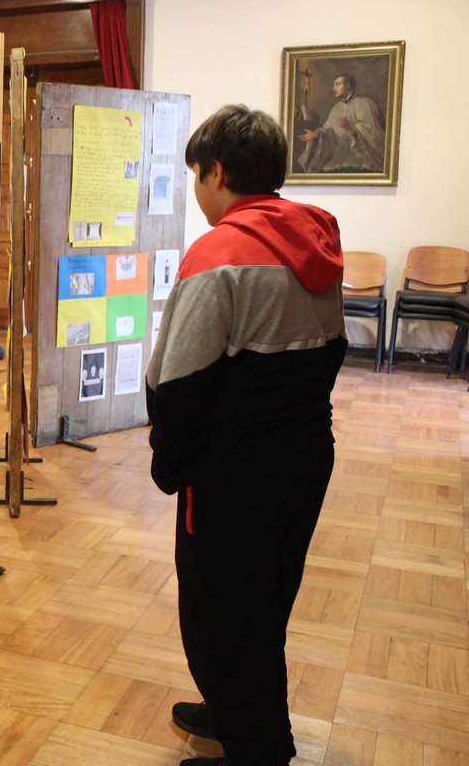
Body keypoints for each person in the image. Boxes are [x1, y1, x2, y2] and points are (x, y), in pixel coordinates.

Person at [145, 105, 346, 766]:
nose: (196, 190)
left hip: (233, 472)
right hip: (306, 454)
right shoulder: (318, 239)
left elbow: (178, 380)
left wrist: (173, 460)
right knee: (263, 598)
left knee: (221, 611)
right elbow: (330, 353)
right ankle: (234, 710)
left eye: (196, 175)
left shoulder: (220, 253)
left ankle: (258, 749)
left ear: (218, 172)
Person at [296, 73, 385, 173]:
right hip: (339, 160)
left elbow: (374, 134)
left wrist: (352, 129)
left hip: (361, 161)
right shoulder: (336, 108)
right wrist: (317, 134)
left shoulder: (365, 103)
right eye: (333, 85)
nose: (333, 88)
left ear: (348, 85)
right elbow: (330, 132)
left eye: (337, 84)